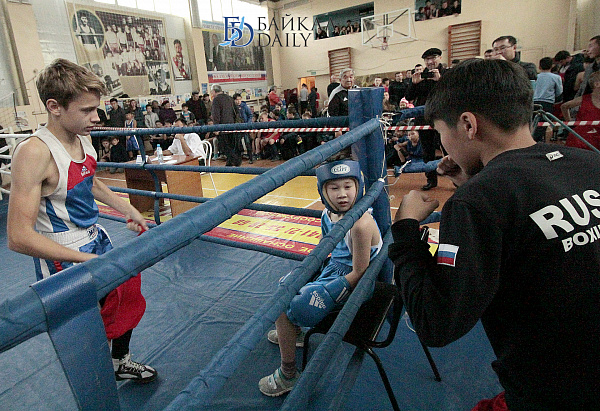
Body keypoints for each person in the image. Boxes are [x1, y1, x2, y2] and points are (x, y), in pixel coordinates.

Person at [389, 58, 600, 410]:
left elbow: (437, 323)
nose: (444, 149)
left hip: (555, 393)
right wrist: (476, 177)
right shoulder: (590, 163)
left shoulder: (477, 203)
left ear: (468, 124)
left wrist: (406, 230)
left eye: (443, 134)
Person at [7, 58, 157, 383]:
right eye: (87, 109)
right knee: (89, 329)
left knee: (127, 295)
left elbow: (92, 180)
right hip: (64, 256)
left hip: (96, 238)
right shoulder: (34, 152)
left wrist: (128, 209)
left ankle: (120, 362)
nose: (96, 117)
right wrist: (86, 260)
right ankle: (97, 387)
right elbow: (18, 236)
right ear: (54, 106)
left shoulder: (81, 135)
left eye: (96, 108)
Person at [259, 159, 382, 397]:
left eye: (348, 186)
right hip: (332, 269)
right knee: (285, 286)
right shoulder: (327, 214)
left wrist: (327, 293)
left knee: (283, 308)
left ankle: (288, 373)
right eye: (334, 188)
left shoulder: (360, 224)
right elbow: (326, 247)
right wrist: (309, 273)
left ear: (359, 186)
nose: (343, 194)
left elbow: (360, 271)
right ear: (323, 191)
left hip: (354, 284)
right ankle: (296, 332)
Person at [405, 47, 446, 191]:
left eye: (433, 58)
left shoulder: (447, 73)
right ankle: (431, 180)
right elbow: (409, 97)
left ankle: (456, 179)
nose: (430, 62)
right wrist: (413, 83)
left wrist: (440, 81)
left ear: (440, 58)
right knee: (427, 151)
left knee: (448, 149)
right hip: (424, 119)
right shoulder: (420, 75)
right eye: (427, 59)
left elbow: (453, 94)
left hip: (444, 118)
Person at [561, 71, 600, 151]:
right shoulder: (584, 99)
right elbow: (564, 106)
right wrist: (569, 122)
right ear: (596, 84)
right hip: (580, 139)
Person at [532, 57, 563, 142]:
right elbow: (559, 92)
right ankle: (537, 141)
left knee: (533, 124)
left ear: (539, 66)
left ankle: (532, 140)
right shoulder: (556, 77)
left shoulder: (536, 76)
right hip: (547, 103)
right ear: (552, 66)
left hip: (534, 102)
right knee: (544, 125)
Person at [211, 84, 241, 166]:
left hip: (222, 127)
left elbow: (215, 115)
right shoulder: (229, 98)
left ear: (214, 91)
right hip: (232, 126)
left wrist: (216, 128)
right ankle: (231, 162)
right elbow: (236, 111)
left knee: (226, 147)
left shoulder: (216, 100)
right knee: (232, 146)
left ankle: (234, 161)